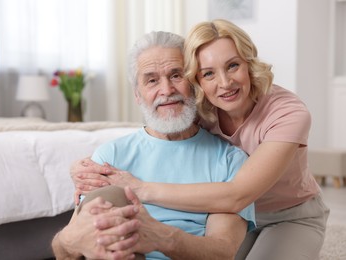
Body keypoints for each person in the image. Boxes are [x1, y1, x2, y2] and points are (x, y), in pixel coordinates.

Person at [72, 19, 330, 260]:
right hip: (226, 215)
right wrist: (87, 169)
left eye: (233, 65)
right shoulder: (200, 106)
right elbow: (154, 131)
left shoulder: (288, 113)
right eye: (208, 73)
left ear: (249, 63)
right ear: (197, 79)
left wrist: (140, 187)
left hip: (286, 215)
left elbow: (238, 195)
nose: (225, 83)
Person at [55, 30, 256, 260]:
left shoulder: (230, 160)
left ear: (194, 83)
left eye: (176, 75)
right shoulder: (110, 156)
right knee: (111, 199)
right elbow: (68, 252)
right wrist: (64, 241)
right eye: (152, 80)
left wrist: (160, 236)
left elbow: (223, 251)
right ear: (138, 95)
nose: (167, 90)